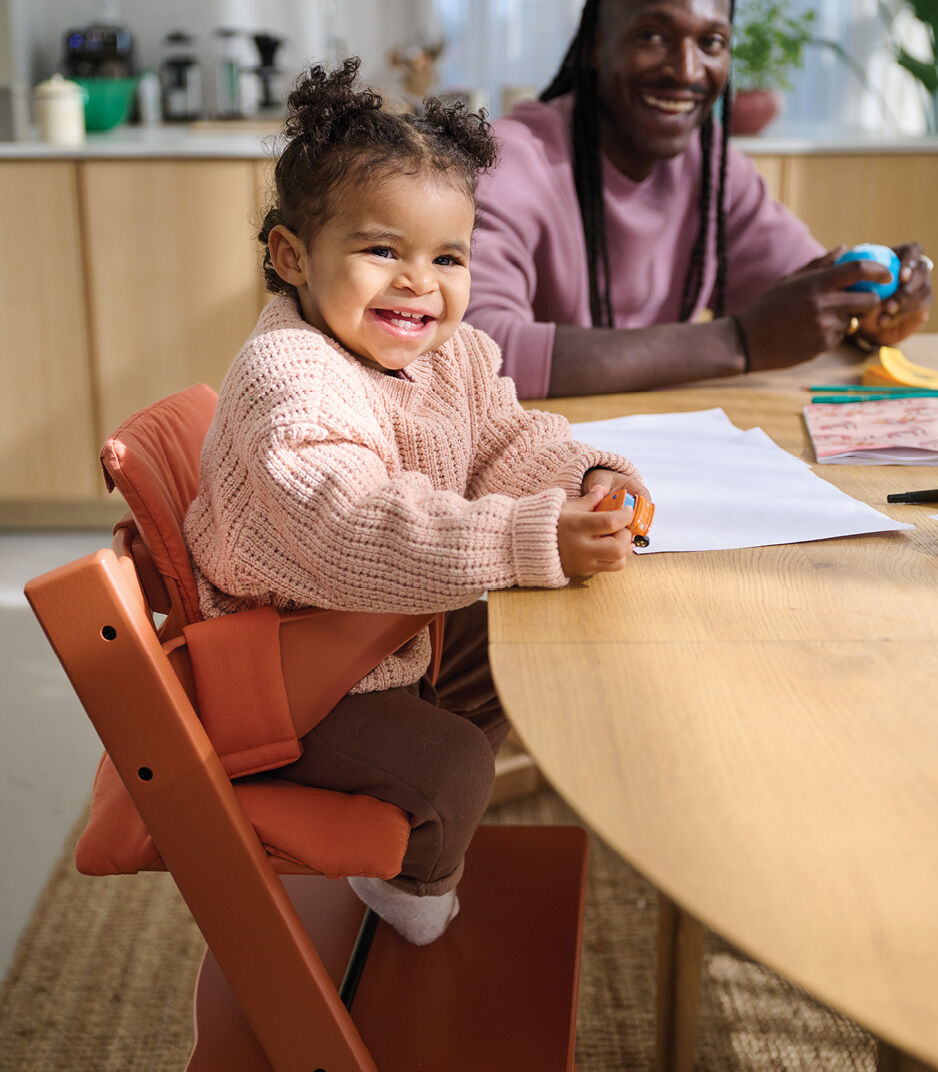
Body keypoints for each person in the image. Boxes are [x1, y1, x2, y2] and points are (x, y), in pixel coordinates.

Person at [183, 58, 646, 945]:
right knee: (452, 771)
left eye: (447, 257)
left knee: (526, 652)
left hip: (382, 634)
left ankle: (411, 764)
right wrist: (529, 534)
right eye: (381, 250)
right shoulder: (292, 378)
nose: (419, 283)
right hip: (286, 678)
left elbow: (507, 443)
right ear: (292, 257)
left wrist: (580, 479)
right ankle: (415, 897)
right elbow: (357, 526)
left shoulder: (452, 354)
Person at [466, 0, 934, 399]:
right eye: (652, 35)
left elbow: (802, 301)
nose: (686, 71)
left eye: (711, 42)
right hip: (542, 463)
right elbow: (476, 350)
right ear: (593, 45)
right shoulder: (506, 161)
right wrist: (739, 342)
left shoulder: (714, 168)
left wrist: (870, 307)